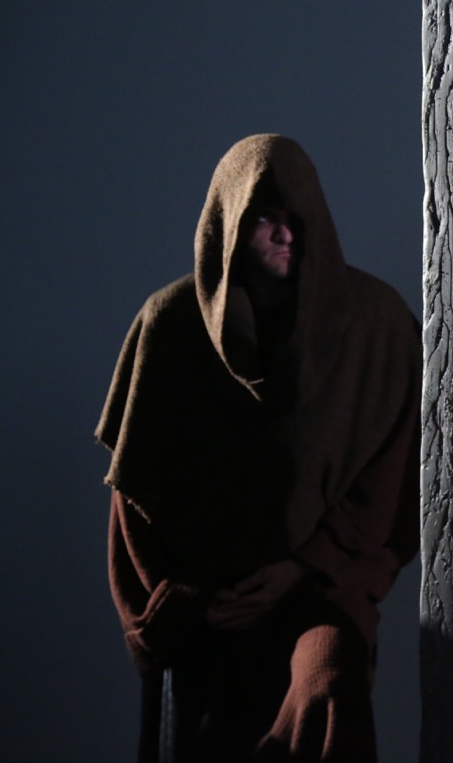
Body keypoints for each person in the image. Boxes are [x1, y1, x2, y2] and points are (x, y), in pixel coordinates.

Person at [96, 134, 421, 762]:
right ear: (229, 223)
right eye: (264, 217)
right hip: (207, 597)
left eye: (297, 217)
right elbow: (137, 489)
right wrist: (183, 598)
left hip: (318, 587)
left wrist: (306, 566)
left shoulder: (372, 324)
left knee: (329, 681)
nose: (285, 234)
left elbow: (393, 478)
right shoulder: (170, 325)